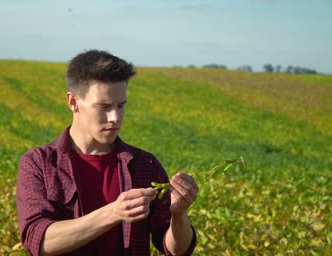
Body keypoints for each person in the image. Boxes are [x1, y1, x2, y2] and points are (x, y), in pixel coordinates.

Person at [17, 50, 199, 255]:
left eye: (121, 106)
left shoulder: (144, 165)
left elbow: (177, 250)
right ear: (73, 102)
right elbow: (38, 240)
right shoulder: (39, 163)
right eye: (104, 107)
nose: (115, 117)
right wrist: (113, 212)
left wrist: (179, 215)